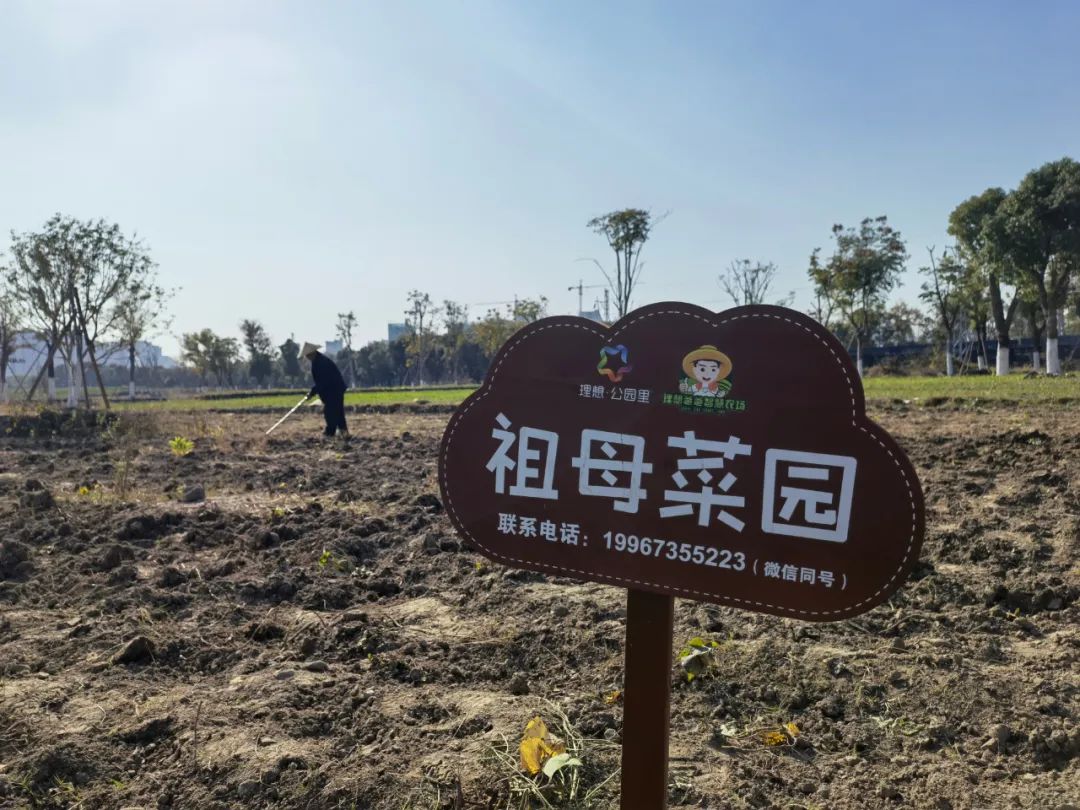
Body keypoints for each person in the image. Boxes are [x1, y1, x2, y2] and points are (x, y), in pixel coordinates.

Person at [302, 342, 349, 440]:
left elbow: (322, 382)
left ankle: (329, 434)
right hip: (335, 389)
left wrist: (312, 392)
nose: (307, 357)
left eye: (307, 355)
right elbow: (321, 382)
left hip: (333, 390)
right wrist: (312, 392)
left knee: (330, 412)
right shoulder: (318, 361)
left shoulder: (321, 363)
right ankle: (344, 433)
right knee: (338, 412)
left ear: (312, 353)